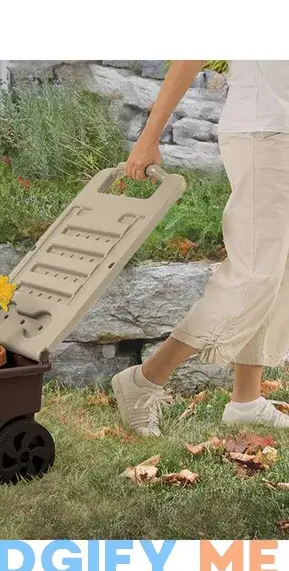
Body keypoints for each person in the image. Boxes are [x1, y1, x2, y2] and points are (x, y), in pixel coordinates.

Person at [112, 60, 289, 436]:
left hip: (277, 129)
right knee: (253, 274)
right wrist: (149, 137)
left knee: (277, 271)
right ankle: (144, 380)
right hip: (264, 131)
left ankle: (246, 400)